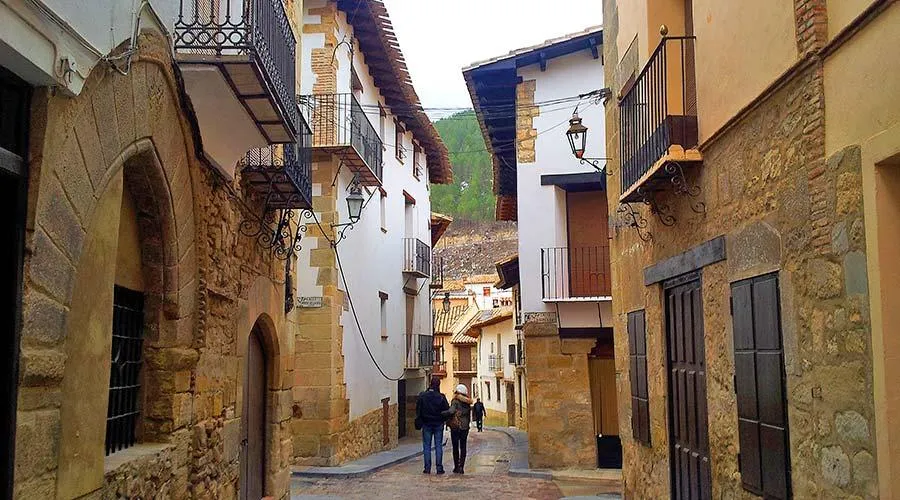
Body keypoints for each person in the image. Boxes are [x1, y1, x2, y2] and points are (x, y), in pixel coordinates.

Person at [416, 377, 449, 474]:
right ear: (438, 385)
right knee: (438, 445)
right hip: (438, 424)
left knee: (426, 446)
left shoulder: (423, 396)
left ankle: (427, 468)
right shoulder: (441, 397)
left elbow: (419, 409)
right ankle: (439, 468)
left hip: (426, 424)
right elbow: (447, 410)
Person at [443, 384, 473, 474]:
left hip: (456, 426)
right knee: (463, 446)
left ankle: (456, 466)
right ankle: (461, 467)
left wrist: (443, 413)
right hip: (465, 427)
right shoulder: (468, 402)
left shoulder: (455, 401)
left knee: (455, 447)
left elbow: (451, 411)